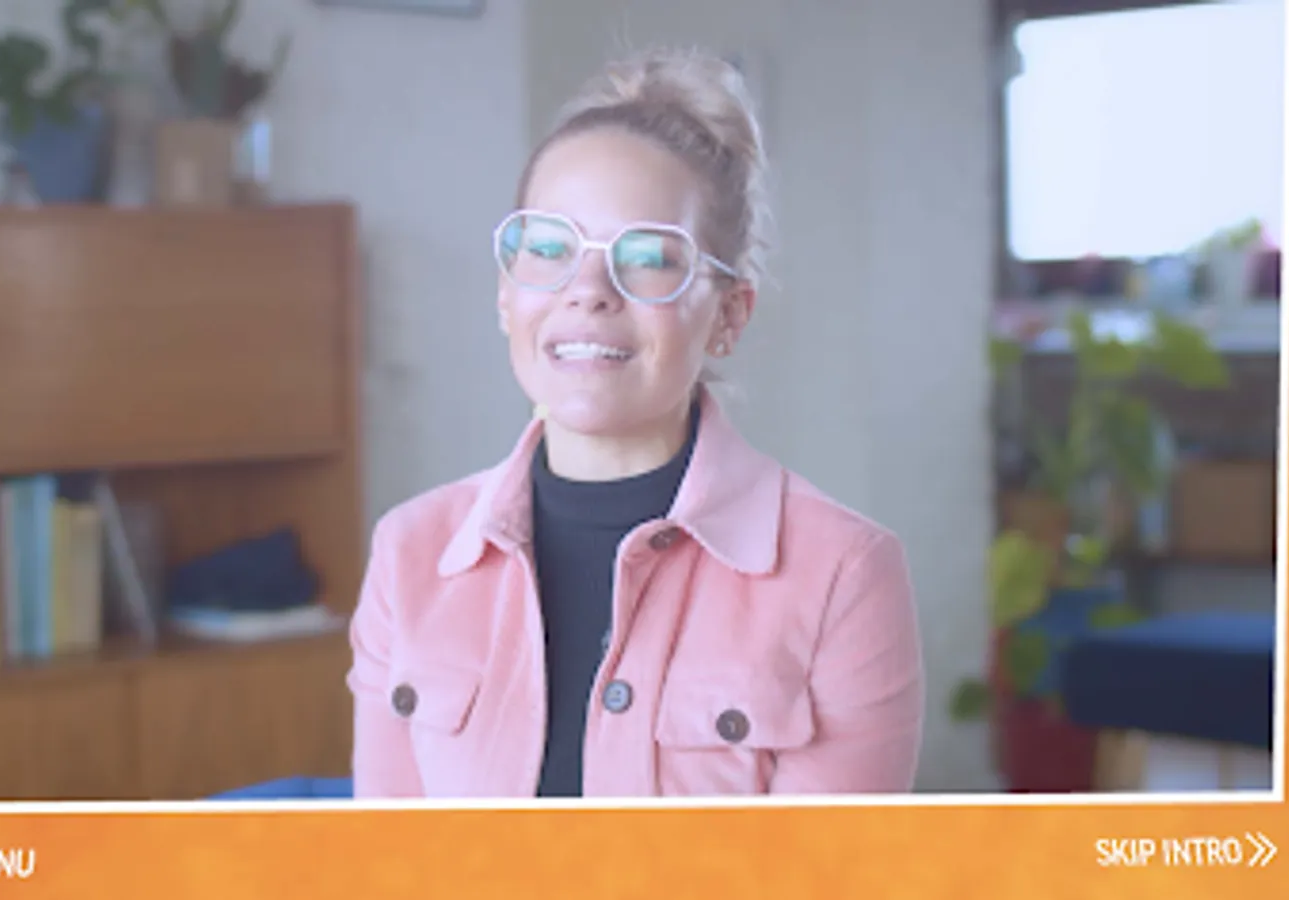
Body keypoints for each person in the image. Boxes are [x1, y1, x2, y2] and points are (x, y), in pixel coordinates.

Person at [346, 46, 924, 798]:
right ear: (505, 295)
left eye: (649, 257)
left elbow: (831, 862)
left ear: (728, 314)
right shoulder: (410, 554)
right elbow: (388, 854)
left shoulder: (842, 574)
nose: (588, 289)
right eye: (548, 248)